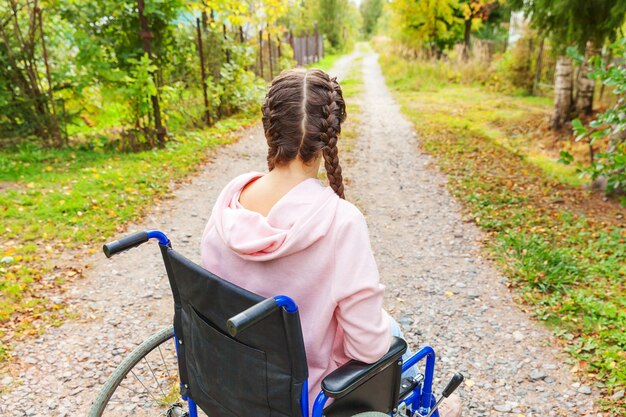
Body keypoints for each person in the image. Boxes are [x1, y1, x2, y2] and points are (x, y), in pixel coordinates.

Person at [200, 68, 461, 417]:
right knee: (391, 333)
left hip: (232, 381)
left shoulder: (228, 204)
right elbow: (368, 348)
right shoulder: (340, 222)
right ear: (330, 137)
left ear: (269, 129)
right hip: (303, 399)